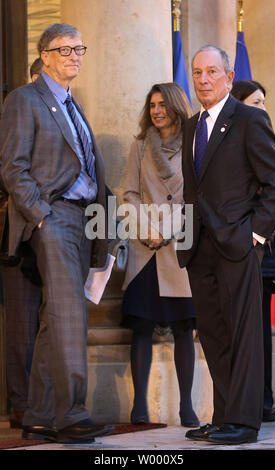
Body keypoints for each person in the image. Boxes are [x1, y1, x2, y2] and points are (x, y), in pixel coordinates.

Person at [0, 23, 112, 444]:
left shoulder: (72, 104)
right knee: (70, 316)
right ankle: (71, 414)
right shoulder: (24, 99)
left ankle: (41, 415)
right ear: (43, 56)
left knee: (54, 321)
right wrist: (42, 216)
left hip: (85, 219)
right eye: (64, 50)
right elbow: (13, 168)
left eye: (78, 48)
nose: (74, 56)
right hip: (55, 218)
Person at [178, 45, 275, 445]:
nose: (204, 80)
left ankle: (244, 422)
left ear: (228, 76)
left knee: (243, 335)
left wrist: (255, 233)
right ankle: (223, 418)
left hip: (237, 244)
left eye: (212, 73)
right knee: (214, 334)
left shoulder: (250, 120)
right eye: (198, 73)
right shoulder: (191, 125)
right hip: (198, 247)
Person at [119, 82, 199, 427]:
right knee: (141, 325)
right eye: (152, 105)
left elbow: (196, 197)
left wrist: (166, 230)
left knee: (184, 327)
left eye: (163, 104)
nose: (157, 111)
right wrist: (145, 229)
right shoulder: (139, 147)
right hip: (145, 248)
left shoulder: (196, 145)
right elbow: (128, 193)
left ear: (176, 107)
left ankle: (186, 407)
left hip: (179, 246)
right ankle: (139, 409)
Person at [231, 79, 275, 423]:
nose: (262, 108)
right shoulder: (233, 141)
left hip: (271, 246)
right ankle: (261, 401)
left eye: (263, 101)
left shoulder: (267, 139)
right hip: (254, 250)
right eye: (255, 102)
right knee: (255, 328)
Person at [0, 58, 43, 429]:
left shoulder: (70, 117)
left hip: (59, 238)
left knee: (53, 325)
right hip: (18, 239)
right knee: (21, 326)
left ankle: (47, 403)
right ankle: (21, 403)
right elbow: (12, 173)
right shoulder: (17, 111)